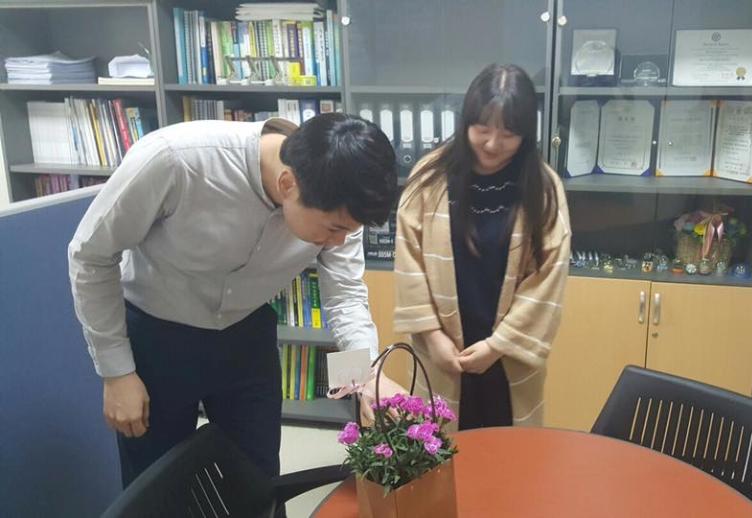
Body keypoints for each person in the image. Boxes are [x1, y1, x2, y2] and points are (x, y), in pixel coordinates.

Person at [68, 112, 404, 488]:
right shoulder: (175, 160)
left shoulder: (339, 200)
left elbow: (344, 297)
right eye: (335, 229)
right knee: (155, 485)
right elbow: (90, 255)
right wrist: (116, 373)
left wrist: (366, 378)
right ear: (288, 184)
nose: (339, 241)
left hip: (246, 333)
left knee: (256, 480)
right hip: (156, 334)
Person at [393, 64, 571, 430]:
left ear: (526, 133)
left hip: (508, 356)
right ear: (466, 122)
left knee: (508, 449)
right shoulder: (429, 177)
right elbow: (409, 259)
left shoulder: (544, 188)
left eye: (508, 133)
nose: (492, 144)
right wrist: (433, 337)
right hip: (442, 352)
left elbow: (548, 276)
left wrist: (497, 346)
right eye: (482, 129)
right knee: (439, 444)